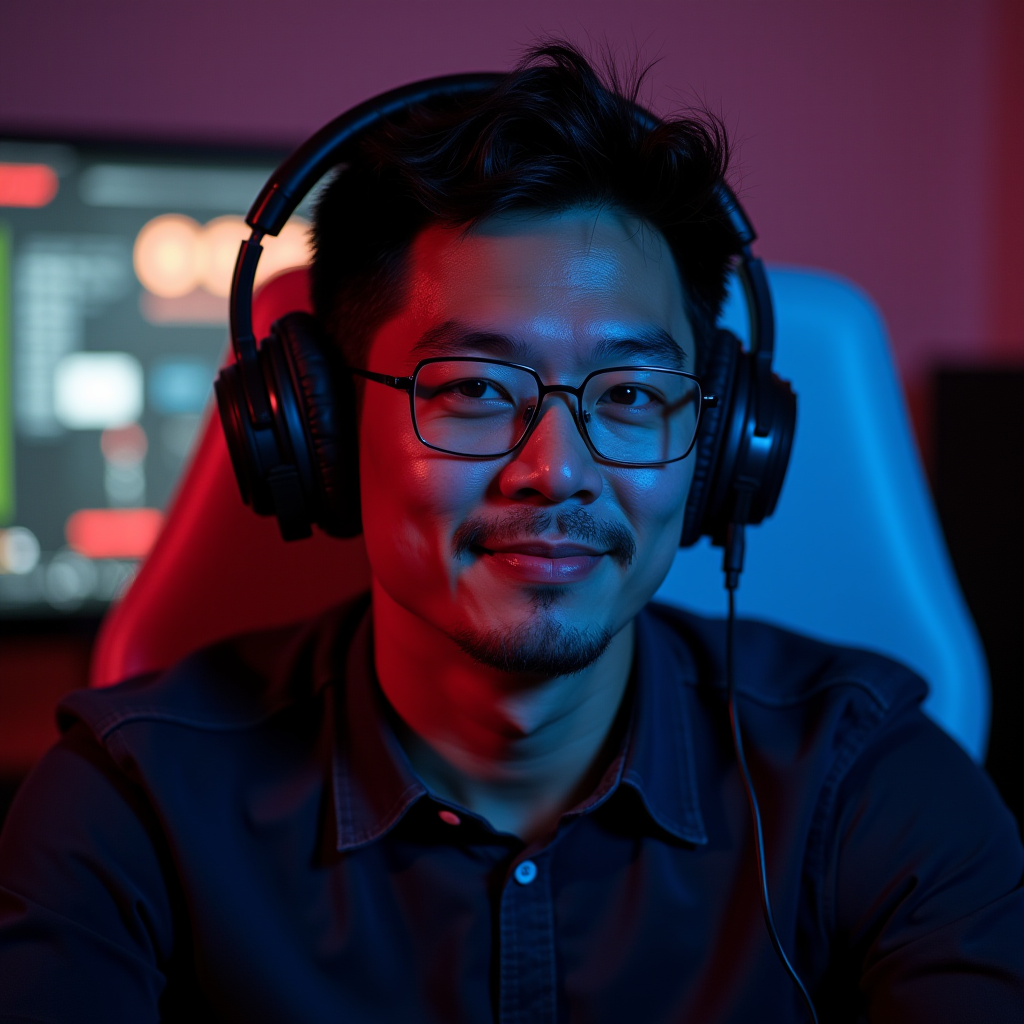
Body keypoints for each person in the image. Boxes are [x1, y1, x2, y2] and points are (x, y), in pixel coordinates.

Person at [1, 44, 1022, 1024]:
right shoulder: (127, 811)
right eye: (475, 388)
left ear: (715, 453)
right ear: (320, 431)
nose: (557, 470)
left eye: (629, 392)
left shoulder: (870, 786)